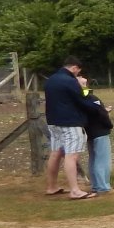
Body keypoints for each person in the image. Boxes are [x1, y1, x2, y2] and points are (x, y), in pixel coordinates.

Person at [43, 56, 98, 199]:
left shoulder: (51, 80)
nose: (78, 74)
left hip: (53, 122)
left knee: (55, 153)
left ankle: (51, 187)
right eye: (78, 71)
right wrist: (85, 87)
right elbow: (85, 100)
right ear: (74, 68)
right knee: (71, 155)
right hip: (70, 123)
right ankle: (75, 190)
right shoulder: (70, 81)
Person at [79, 75, 114, 194]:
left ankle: (96, 185)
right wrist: (108, 124)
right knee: (102, 159)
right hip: (99, 131)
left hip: (89, 131)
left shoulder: (79, 98)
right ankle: (103, 187)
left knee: (94, 158)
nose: (82, 76)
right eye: (79, 77)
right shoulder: (89, 97)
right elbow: (99, 113)